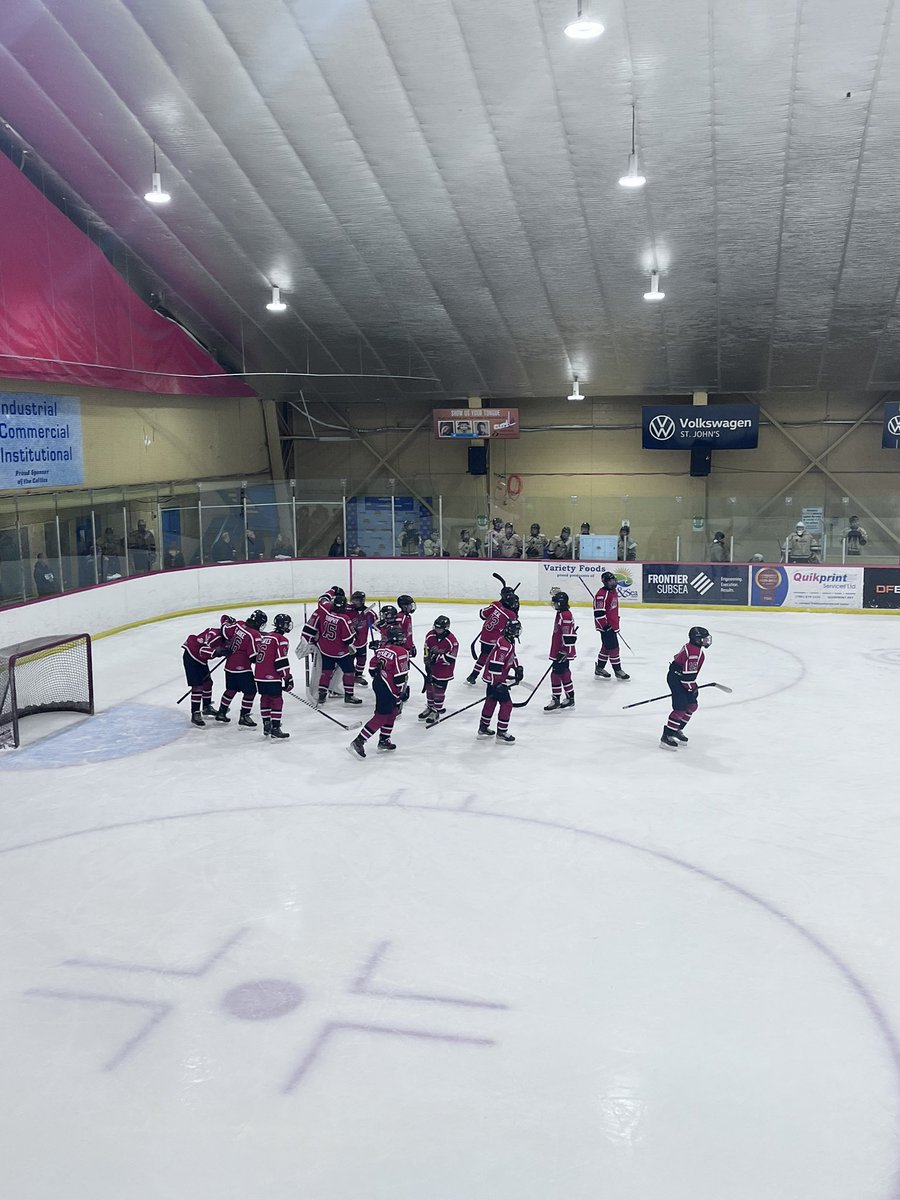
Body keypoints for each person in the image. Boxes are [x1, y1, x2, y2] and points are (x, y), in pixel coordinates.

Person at [349, 624, 410, 758]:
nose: (403, 639)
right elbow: (400, 677)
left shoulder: (382, 649)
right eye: (400, 637)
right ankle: (359, 741)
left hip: (379, 683)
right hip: (389, 687)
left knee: (392, 712)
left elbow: (371, 669)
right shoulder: (401, 652)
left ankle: (384, 740)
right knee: (382, 715)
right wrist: (401, 693)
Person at [214, 610, 268, 727]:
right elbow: (254, 657)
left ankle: (221, 712)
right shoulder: (254, 635)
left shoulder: (239, 624)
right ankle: (244, 716)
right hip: (242, 668)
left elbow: (224, 630)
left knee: (231, 689)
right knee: (250, 692)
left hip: (229, 665)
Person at [661, 626, 711, 750]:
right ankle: (667, 736)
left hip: (680, 678)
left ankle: (676, 729)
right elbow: (687, 678)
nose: (706, 641)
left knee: (692, 706)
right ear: (697, 639)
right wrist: (692, 689)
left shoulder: (693, 648)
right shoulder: (694, 653)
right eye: (704, 639)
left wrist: (691, 688)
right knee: (680, 709)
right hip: (677, 680)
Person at [477, 618, 523, 744]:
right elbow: (495, 665)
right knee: (507, 704)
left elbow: (512, 656)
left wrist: (517, 667)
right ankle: (502, 732)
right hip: (495, 679)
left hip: (493, 679)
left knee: (490, 702)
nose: (518, 632)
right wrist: (497, 683)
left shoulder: (508, 641)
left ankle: (483, 727)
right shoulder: (504, 645)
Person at [314, 592, 362, 705]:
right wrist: (354, 633)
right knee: (349, 671)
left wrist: (330, 592)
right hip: (339, 652)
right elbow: (347, 640)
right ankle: (349, 695)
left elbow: (321, 601)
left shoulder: (325, 613)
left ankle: (322, 695)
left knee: (326, 671)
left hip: (325, 649)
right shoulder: (344, 619)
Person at [466, 585, 520, 684]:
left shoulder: (496, 605)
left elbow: (482, 614)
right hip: (497, 639)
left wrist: (500, 604)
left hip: (485, 636)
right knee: (506, 654)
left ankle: (473, 675)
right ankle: (507, 673)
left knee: (484, 655)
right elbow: (514, 625)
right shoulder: (511, 615)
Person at [181, 620, 229, 727]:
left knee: (207, 683)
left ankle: (206, 707)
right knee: (197, 686)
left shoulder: (224, 635)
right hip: (192, 656)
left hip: (200, 659)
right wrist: (216, 652)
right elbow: (202, 651)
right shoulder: (214, 637)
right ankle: (195, 713)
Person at [254, 613, 294, 739]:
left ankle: (267, 724)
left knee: (265, 698)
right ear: (282, 625)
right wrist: (288, 678)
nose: (288, 626)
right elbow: (281, 660)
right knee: (276, 700)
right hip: (271, 674)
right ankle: (275, 727)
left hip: (259, 674)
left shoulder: (267, 637)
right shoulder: (281, 639)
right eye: (287, 624)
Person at [420, 615, 459, 725]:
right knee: (429, 687)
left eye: (439, 628)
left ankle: (436, 710)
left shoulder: (452, 641)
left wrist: (436, 658)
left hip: (444, 670)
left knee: (439, 690)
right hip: (431, 667)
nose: (437, 630)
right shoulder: (430, 635)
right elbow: (426, 648)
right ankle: (430, 707)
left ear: (446, 628)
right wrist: (426, 659)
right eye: (436, 627)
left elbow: (451, 658)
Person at [593, 571, 630, 681]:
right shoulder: (601, 595)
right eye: (610, 581)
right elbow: (598, 613)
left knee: (606, 648)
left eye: (614, 580)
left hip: (612, 625)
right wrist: (605, 626)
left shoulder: (613, 592)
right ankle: (618, 670)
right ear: (605, 582)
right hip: (606, 627)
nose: (613, 583)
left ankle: (599, 668)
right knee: (614, 648)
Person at [544, 591, 577, 711]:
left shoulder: (565, 615)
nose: (555, 605)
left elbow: (568, 636)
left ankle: (556, 699)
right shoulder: (561, 613)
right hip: (560, 650)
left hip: (562, 651)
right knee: (564, 673)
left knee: (556, 674)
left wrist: (564, 652)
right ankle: (570, 698)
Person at [349, 590, 378, 688]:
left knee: (362, 660)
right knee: (348, 661)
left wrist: (377, 625)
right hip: (349, 643)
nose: (354, 603)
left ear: (362, 601)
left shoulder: (369, 613)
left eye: (357, 601)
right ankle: (347, 677)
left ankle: (357, 676)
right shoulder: (347, 610)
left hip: (362, 642)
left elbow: (376, 625)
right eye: (353, 600)